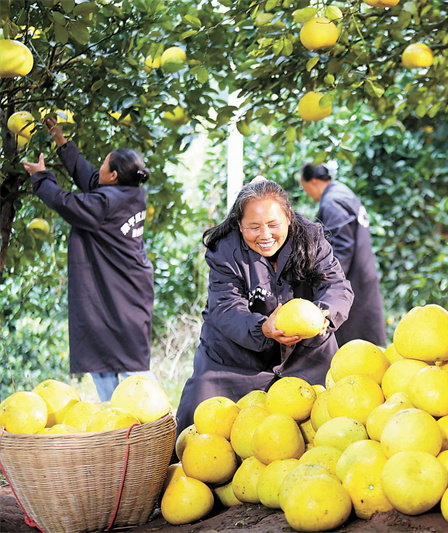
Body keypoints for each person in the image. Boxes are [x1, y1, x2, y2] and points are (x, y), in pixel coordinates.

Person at [174, 179, 353, 434]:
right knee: (199, 426)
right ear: (239, 224)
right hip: (234, 358)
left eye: (273, 224)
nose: (265, 235)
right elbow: (226, 307)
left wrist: (324, 314)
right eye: (253, 227)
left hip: (306, 354)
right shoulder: (225, 250)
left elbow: (337, 286)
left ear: (289, 217)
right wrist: (262, 328)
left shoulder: (312, 239)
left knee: (325, 425)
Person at [22, 118, 156, 402]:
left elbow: (66, 203)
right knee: (112, 353)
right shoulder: (132, 192)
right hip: (125, 288)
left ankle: (152, 424)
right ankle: (117, 424)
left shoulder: (104, 204)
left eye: (105, 165)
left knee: (132, 369)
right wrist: (62, 143)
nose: (100, 169)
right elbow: (92, 180)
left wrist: (42, 176)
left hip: (114, 290)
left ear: (115, 176)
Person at [300, 163, 387, 346]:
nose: (307, 192)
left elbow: (342, 246)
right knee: (367, 342)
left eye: (304, 187)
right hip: (362, 273)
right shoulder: (342, 192)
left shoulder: (332, 202)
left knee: (355, 347)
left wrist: (331, 282)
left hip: (351, 279)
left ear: (313, 182)